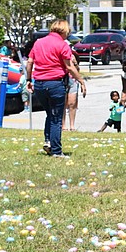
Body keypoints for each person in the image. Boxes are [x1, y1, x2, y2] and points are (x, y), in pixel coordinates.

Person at [25, 19, 87, 157]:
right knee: (56, 118)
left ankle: (48, 141)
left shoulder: (39, 42)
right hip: (55, 84)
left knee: (50, 114)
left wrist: (28, 79)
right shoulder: (62, 45)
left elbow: (29, 62)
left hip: (39, 84)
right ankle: (57, 151)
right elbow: (69, 66)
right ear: (64, 31)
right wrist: (81, 80)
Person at [63, 48, 81, 131]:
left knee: (72, 103)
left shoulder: (73, 56)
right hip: (63, 80)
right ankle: (63, 125)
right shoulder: (61, 56)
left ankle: (72, 125)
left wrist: (75, 63)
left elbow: (77, 70)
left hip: (73, 81)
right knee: (63, 103)